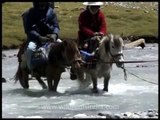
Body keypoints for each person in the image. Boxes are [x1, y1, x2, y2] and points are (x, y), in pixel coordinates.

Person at [17, 2, 60, 74]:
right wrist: (39, 37)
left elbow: (56, 26)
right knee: (30, 49)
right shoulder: (30, 13)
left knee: (62, 45)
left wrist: (55, 34)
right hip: (35, 39)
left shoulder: (51, 12)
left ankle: (63, 67)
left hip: (50, 37)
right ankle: (30, 68)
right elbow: (29, 29)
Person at [70, 2, 108, 80]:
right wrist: (93, 34)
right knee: (81, 50)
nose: (96, 8)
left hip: (98, 38)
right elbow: (82, 28)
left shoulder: (101, 15)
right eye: (94, 7)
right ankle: (74, 69)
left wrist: (101, 33)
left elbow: (103, 26)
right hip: (85, 38)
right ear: (89, 6)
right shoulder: (83, 15)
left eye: (97, 7)